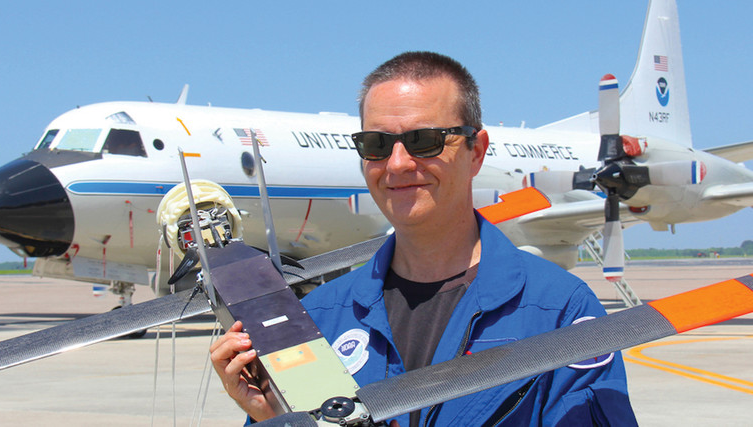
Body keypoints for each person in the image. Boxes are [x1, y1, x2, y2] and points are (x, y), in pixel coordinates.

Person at [210, 51, 637, 426]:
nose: (397, 164)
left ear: (477, 150)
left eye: (424, 141)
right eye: (375, 143)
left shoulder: (559, 309)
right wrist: (274, 416)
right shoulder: (317, 317)